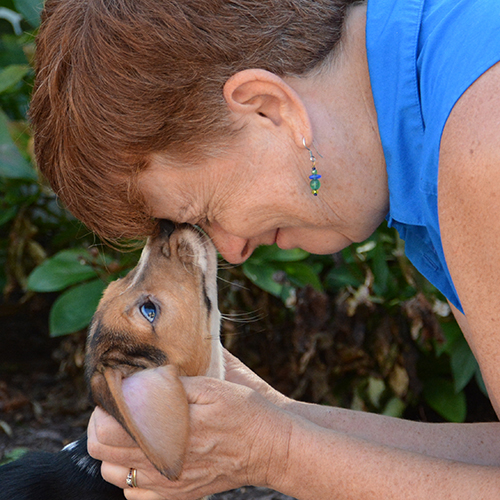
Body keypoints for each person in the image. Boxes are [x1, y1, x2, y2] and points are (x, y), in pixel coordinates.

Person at [30, 0, 500, 497]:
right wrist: (272, 418)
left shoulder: (483, 145)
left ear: (265, 106)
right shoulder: (430, 106)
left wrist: (277, 454)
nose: (231, 251)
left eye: (206, 212)